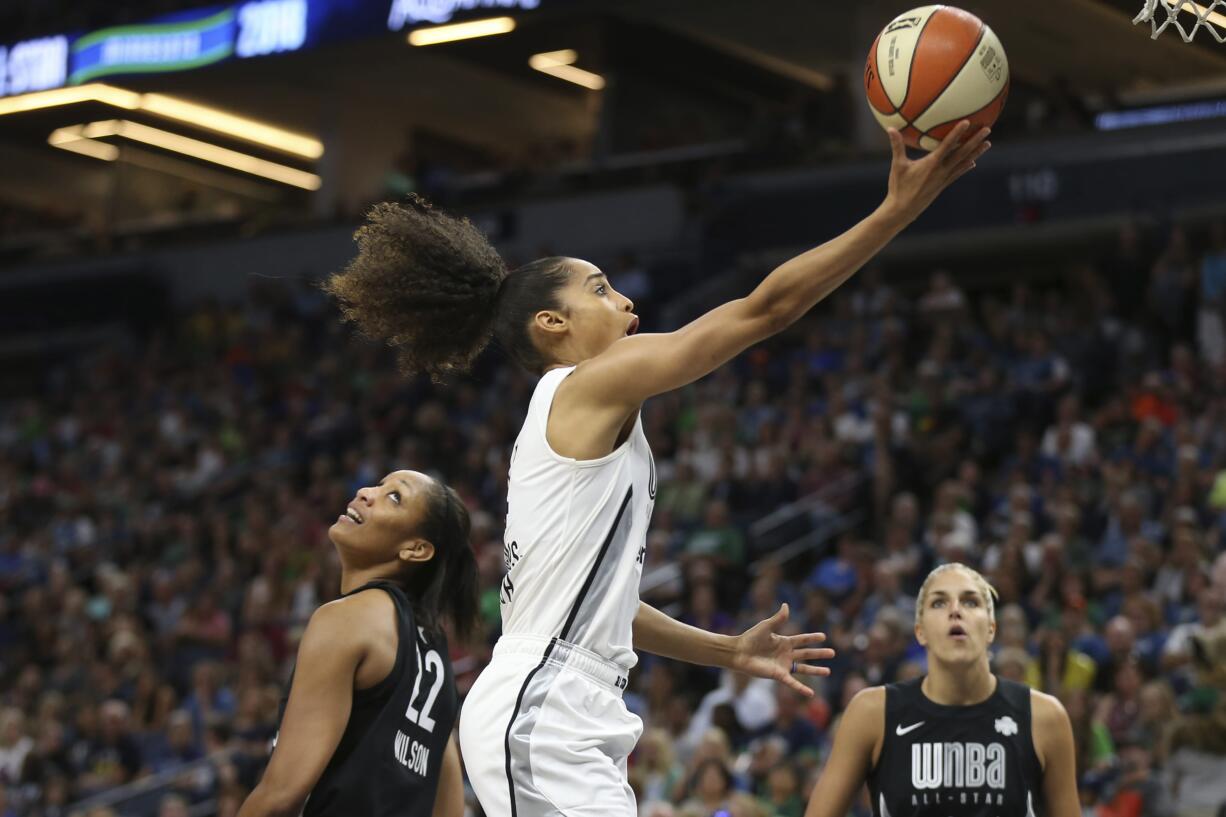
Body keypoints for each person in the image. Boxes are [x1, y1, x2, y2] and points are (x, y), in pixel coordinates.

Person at [324, 122, 990, 816]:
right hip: (544, 708)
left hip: (558, 704)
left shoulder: (577, 417)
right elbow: (768, 308)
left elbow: (608, 603)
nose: (626, 302)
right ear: (552, 324)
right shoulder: (587, 383)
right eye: (602, 289)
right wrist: (897, 210)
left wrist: (726, 650)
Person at [237, 470, 479, 817]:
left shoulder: (347, 618)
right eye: (379, 485)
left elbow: (281, 794)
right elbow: (450, 808)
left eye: (394, 497)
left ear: (415, 549)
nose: (366, 492)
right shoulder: (434, 652)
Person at [803, 563, 1080, 817]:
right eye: (939, 602)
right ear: (920, 631)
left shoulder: (1044, 717)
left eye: (971, 601)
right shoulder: (873, 712)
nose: (955, 610)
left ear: (991, 629)